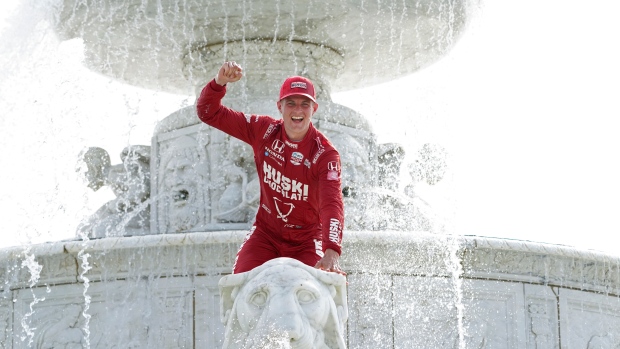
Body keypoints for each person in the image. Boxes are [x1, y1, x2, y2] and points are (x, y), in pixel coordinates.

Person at [196, 61, 345, 275]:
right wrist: (219, 83)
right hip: (265, 235)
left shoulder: (326, 154)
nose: (297, 110)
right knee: (240, 284)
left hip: (306, 240)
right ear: (279, 107)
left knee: (321, 288)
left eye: (305, 104)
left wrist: (332, 250)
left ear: (314, 108)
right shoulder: (263, 130)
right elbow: (207, 113)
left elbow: (333, 204)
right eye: (291, 103)